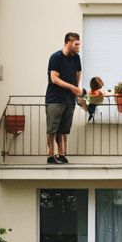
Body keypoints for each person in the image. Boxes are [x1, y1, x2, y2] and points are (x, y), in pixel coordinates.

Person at [45, 33, 83, 165]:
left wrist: (76, 90)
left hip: (69, 99)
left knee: (64, 130)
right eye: (76, 44)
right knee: (52, 129)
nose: (78, 47)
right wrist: (73, 88)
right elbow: (54, 79)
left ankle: (62, 154)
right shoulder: (56, 57)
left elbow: (78, 73)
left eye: (79, 44)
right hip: (54, 99)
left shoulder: (76, 58)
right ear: (67, 42)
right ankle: (51, 155)